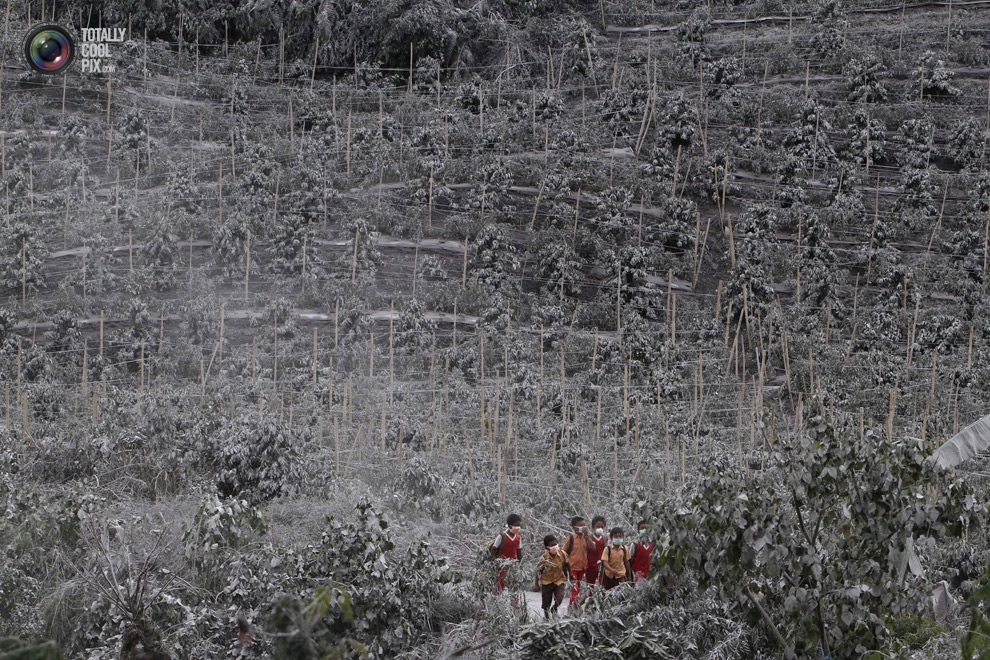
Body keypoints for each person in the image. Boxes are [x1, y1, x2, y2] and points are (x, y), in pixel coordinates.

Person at [537, 534, 570, 619]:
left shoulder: (562, 554)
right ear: (547, 548)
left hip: (559, 579)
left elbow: (567, 564)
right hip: (547, 581)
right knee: (546, 601)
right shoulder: (543, 558)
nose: (555, 546)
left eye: (556, 544)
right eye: (552, 545)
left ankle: (554, 608)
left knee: (560, 597)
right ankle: (547, 618)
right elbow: (538, 571)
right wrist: (536, 584)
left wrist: (571, 575)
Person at [562, 516, 593, 608]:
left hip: (583, 567)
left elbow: (592, 547)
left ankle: (574, 606)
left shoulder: (585, 538)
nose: (583, 527)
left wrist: (587, 535)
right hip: (573, 568)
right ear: (574, 527)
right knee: (575, 589)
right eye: (580, 525)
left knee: (580, 588)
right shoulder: (570, 538)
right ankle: (574, 607)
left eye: (584, 525)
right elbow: (563, 552)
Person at [490, 513, 523, 593]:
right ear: (509, 526)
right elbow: (493, 550)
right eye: (516, 525)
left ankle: (515, 604)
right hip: (501, 565)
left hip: (513, 566)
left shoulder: (518, 538)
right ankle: (497, 601)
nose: (518, 527)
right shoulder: (501, 536)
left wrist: (519, 565)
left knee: (514, 587)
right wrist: (492, 564)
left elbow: (519, 552)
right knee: (500, 585)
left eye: (519, 525)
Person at [586, 516, 608, 587]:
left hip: (602, 566)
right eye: (597, 527)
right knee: (590, 585)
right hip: (590, 566)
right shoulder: (589, 538)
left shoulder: (605, 539)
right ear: (593, 527)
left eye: (602, 527)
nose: (600, 529)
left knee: (602, 584)